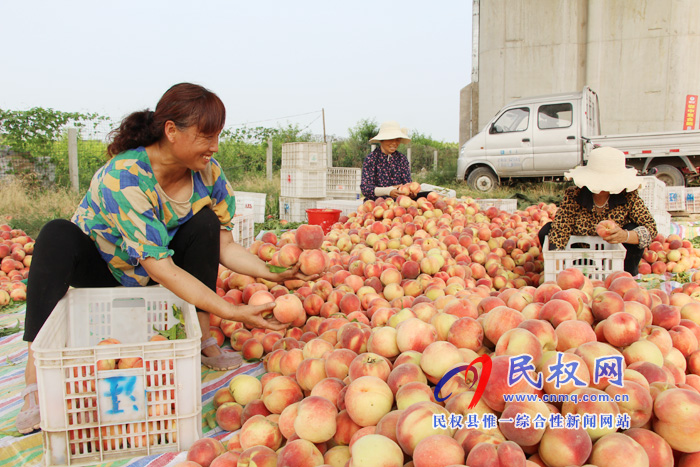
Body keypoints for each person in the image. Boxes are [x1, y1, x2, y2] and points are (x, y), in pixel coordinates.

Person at [15, 83, 312, 434]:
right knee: (54, 236)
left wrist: (271, 272)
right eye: (206, 136)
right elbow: (162, 267)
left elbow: (225, 246)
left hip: (157, 273)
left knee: (204, 221)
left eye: (217, 135)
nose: (214, 147)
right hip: (107, 269)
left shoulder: (208, 174)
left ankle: (204, 340)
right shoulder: (124, 177)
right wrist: (229, 309)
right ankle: (34, 381)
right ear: (171, 131)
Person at [537, 146, 657, 276]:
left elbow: (651, 229)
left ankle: (627, 275)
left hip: (615, 258)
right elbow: (560, 229)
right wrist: (558, 268)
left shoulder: (629, 196)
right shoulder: (574, 195)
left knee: (633, 228)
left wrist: (625, 235)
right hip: (581, 255)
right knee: (547, 231)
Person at [360, 121, 413, 200]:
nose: (394, 143)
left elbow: (407, 184)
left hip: (398, 205)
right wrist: (388, 191)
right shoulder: (372, 159)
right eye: (390, 139)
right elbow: (366, 189)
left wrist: (411, 191)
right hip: (376, 205)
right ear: (382, 140)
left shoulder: (402, 159)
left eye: (397, 140)